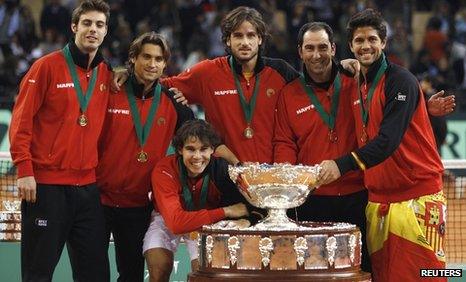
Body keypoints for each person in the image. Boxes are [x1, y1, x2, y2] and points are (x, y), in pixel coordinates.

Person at [318, 9, 447, 282]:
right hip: (377, 201)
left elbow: (387, 141)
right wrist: (342, 64)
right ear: (351, 46)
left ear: (384, 42)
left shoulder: (401, 81)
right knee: (384, 276)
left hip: (417, 199)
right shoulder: (356, 85)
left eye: (372, 39)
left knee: (428, 275)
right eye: (359, 41)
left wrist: (340, 165)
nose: (366, 46)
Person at [115, 6, 299, 164]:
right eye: (238, 36)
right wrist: (128, 74)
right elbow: (159, 83)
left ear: (260, 39)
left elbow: (312, 94)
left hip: (273, 175)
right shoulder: (208, 73)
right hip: (226, 174)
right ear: (228, 40)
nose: (245, 42)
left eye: (251, 35)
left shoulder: (281, 72)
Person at [9, 1, 111, 281]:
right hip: (46, 188)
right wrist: (25, 171)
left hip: (88, 190)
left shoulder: (106, 74)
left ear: (106, 32)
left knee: (95, 274)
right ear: (74, 27)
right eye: (87, 23)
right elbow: (21, 122)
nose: (93, 29)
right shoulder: (46, 67)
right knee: (38, 274)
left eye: (99, 24)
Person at [96, 32, 194, 282]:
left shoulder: (173, 101)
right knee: (91, 273)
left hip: (137, 205)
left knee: (131, 275)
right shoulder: (110, 89)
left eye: (159, 59)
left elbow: (200, 140)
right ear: (133, 59)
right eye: (146, 57)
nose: (152, 64)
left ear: (165, 64)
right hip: (97, 200)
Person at [273, 22, 370, 272]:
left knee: (361, 268)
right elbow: (284, 142)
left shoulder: (356, 81)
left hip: (358, 194)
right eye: (310, 48)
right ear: (300, 52)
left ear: (334, 49)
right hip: (313, 199)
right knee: (315, 269)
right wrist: (290, 182)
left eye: (323, 47)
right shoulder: (289, 94)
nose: (317, 55)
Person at [144, 119, 261, 281]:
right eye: (190, 149)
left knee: (203, 272)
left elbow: (253, 206)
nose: (197, 157)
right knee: (159, 265)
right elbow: (176, 223)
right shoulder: (165, 169)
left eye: (203, 149)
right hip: (168, 219)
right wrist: (226, 211)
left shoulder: (222, 170)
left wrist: (246, 220)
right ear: (179, 149)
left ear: (213, 150)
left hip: (206, 223)